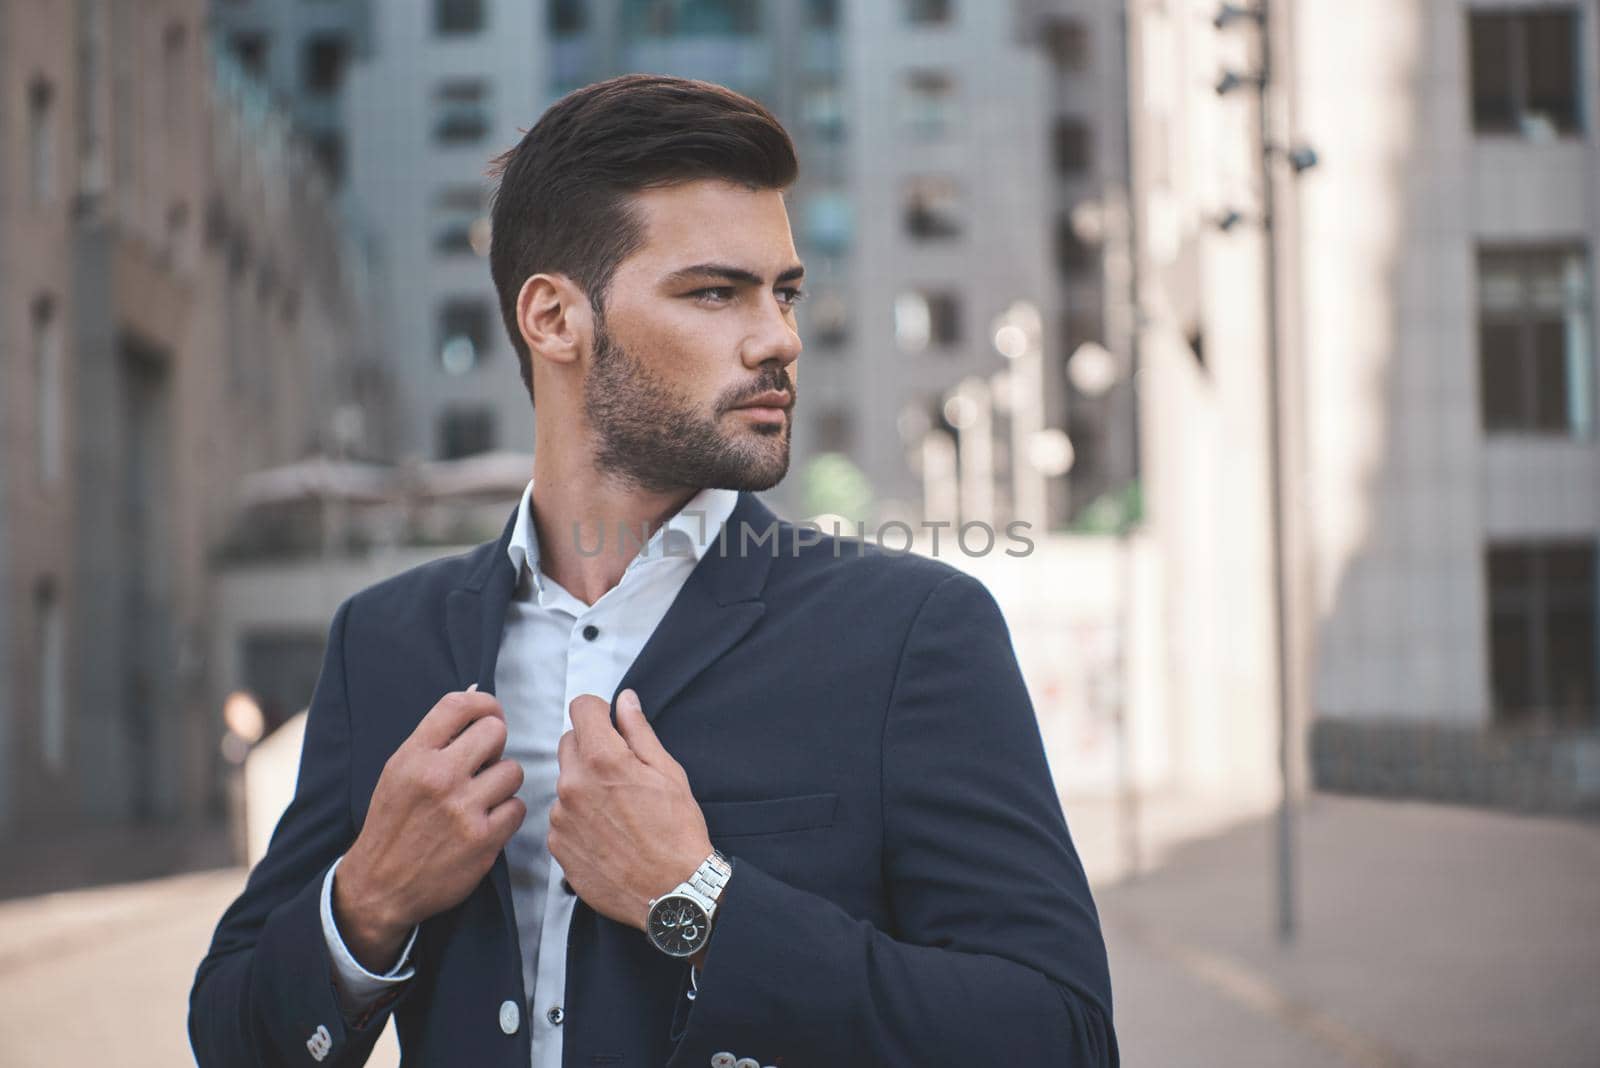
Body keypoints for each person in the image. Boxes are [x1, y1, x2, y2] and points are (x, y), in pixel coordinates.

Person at [189, 73, 1116, 1068]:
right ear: (552, 320)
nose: (780, 339)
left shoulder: (911, 631)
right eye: (715, 292)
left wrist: (696, 901)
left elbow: (1055, 1036)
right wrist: (367, 899)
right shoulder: (387, 640)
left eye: (785, 292)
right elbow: (234, 1039)